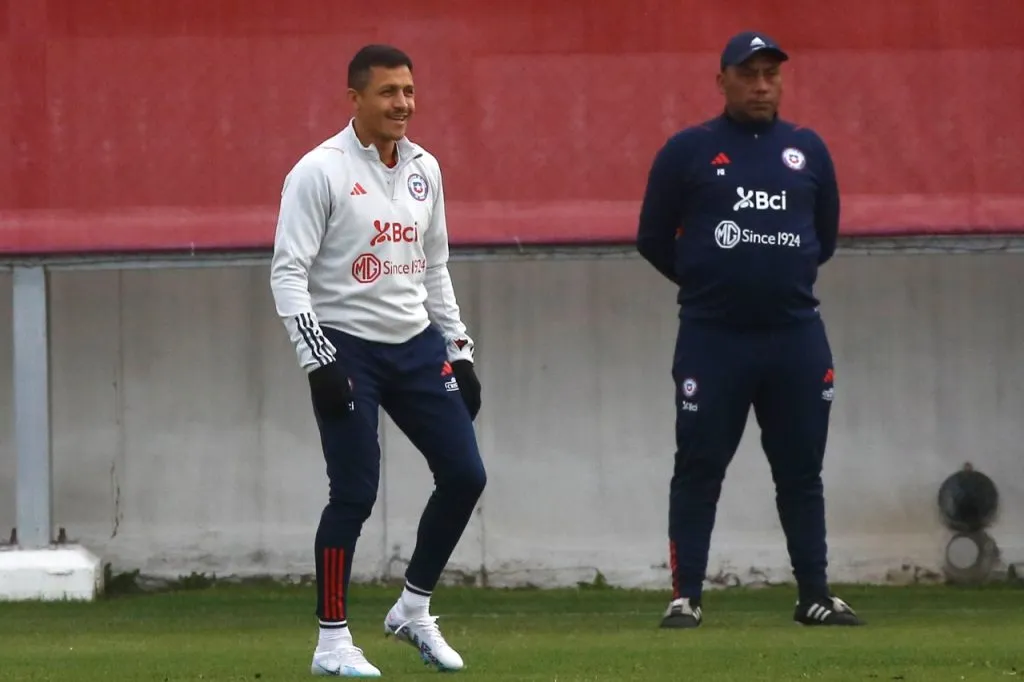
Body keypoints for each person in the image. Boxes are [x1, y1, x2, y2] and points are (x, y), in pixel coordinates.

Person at [270, 43, 487, 676]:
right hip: (345, 347)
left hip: (416, 344)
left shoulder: (426, 168)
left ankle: (412, 609)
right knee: (356, 492)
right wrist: (319, 360)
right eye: (389, 92)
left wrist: (460, 350)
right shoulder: (320, 169)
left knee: (466, 475)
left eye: (409, 92)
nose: (403, 104)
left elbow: (436, 266)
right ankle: (331, 641)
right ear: (355, 99)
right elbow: (287, 273)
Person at [635, 31, 864, 629]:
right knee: (699, 465)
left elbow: (825, 238)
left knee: (800, 471)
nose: (761, 85)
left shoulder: (806, 149)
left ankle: (814, 595)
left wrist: (773, 278)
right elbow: (652, 238)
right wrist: (709, 283)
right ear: (723, 81)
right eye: (749, 74)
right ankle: (686, 595)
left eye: (771, 75)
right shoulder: (689, 150)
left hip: (795, 336)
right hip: (714, 339)